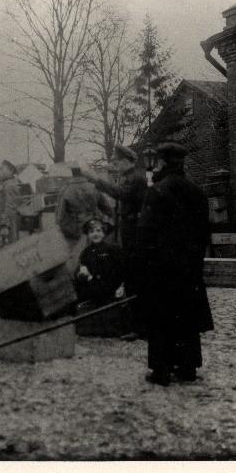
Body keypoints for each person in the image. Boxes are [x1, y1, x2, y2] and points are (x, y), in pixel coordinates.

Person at [136, 142, 213, 386]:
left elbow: (145, 233)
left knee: (161, 317)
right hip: (189, 267)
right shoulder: (197, 192)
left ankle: (161, 370)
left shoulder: (157, 191)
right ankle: (188, 367)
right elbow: (204, 233)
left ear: (162, 163)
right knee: (187, 315)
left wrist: (144, 265)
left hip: (161, 268)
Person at [81, 145, 149, 340]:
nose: (114, 165)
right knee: (131, 277)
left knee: (136, 278)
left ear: (127, 161)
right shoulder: (129, 177)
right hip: (130, 233)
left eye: (116, 162)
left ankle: (140, 327)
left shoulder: (135, 179)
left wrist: (96, 179)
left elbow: (121, 194)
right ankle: (135, 324)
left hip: (136, 235)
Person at [55, 172, 114, 273]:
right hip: (95, 226)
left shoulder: (66, 190)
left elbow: (60, 217)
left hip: (77, 230)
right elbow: (108, 209)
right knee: (98, 255)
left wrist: (69, 231)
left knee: (78, 259)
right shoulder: (94, 187)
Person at [74, 217, 126, 305]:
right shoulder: (85, 253)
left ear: (103, 233)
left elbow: (123, 269)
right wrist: (81, 273)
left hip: (114, 291)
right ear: (88, 235)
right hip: (95, 294)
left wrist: (122, 286)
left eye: (98, 231)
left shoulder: (113, 249)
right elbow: (79, 273)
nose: (95, 234)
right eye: (91, 232)